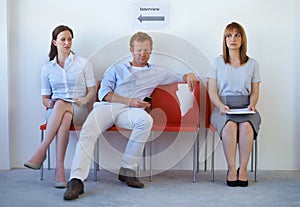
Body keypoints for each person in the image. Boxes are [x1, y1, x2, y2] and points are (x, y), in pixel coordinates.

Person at [63, 31, 198, 200]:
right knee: (89, 131)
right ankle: (76, 180)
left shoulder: (157, 72)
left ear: (151, 50)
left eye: (146, 50)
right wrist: (130, 101)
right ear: (131, 50)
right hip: (108, 107)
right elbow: (104, 94)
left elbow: (180, 76)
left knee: (145, 120)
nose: (142, 53)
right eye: (139, 50)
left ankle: (127, 170)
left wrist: (189, 74)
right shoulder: (116, 69)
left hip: (129, 112)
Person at [24, 25, 96, 188]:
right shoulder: (47, 68)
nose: (67, 42)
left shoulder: (84, 63)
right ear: (54, 42)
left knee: (63, 107)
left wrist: (84, 100)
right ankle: (60, 171)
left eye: (69, 39)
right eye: (63, 39)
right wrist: (48, 103)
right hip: (56, 111)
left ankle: (42, 151)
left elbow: (92, 91)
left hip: (79, 108)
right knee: (63, 114)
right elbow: (44, 98)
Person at [207, 22, 261, 187]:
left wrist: (252, 104)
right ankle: (231, 170)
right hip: (223, 108)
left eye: (237, 35)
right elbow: (212, 92)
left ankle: (242, 170)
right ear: (224, 39)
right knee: (230, 126)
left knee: (246, 126)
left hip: (246, 107)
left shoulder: (253, 63)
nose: (233, 39)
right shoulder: (217, 63)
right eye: (229, 35)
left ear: (242, 39)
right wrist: (221, 106)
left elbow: (255, 92)